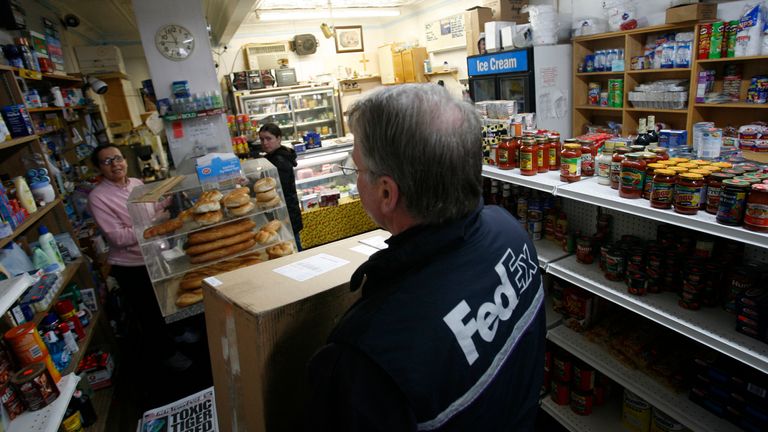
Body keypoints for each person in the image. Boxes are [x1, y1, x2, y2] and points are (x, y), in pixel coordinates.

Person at [306, 84, 546, 431]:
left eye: (356, 169)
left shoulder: (368, 356)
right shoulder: (509, 231)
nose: (356, 179)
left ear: (387, 192)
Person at [86, 145, 193, 379]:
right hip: (131, 265)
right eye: (107, 161)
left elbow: (151, 208)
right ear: (98, 168)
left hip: (155, 255)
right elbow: (118, 237)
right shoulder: (98, 198)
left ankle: (177, 332)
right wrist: (155, 225)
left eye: (118, 158)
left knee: (168, 299)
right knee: (149, 312)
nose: (115, 164)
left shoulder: (135, 183)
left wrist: (167, 199)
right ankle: (167, 355)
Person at [259, 123, 303, 249]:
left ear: (278, 139)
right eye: (262, 139)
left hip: (286, 213)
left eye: (269, 138)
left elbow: (277, 189)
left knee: (292, 247)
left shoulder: (279, 160)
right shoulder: (274, 157)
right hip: (285, 212)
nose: (265, 143)